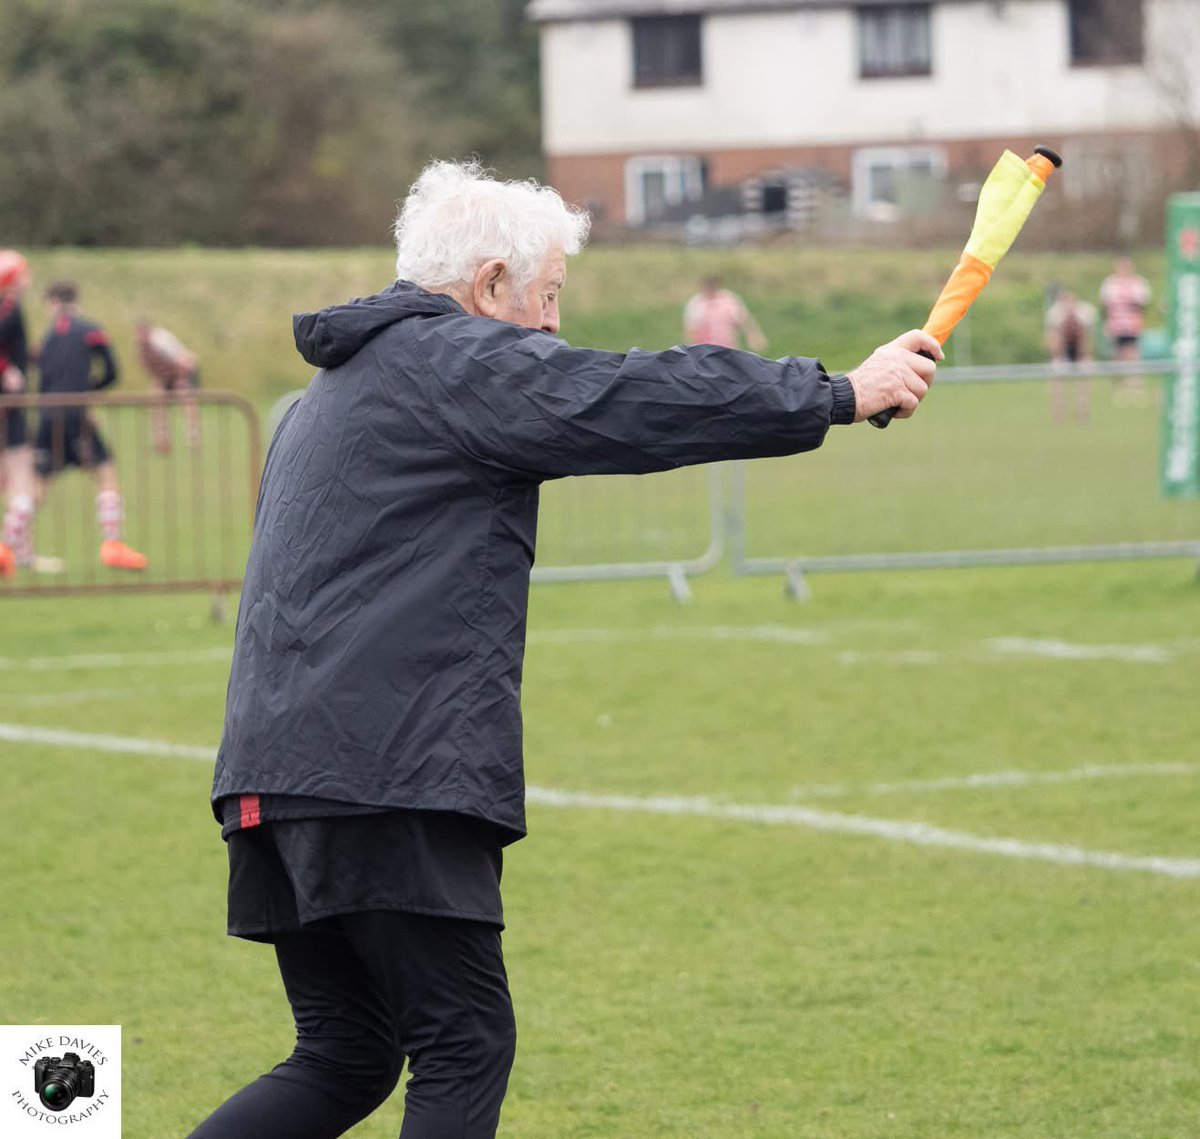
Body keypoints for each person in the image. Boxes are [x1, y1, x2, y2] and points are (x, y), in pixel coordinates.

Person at [188, 158, 938, 1139]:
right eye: (546, 300)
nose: (552, 328)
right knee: (463, 1043)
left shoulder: (335, 390)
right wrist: (838, 392)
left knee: (346, 1050)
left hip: (276, 772)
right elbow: (635, 395)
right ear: (490, 285)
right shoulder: (458, 359)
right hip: (387, 769)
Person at [33, 281, 147, 571]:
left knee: (39, 485)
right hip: (76, 414)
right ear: (76, 302)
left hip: (47, 415)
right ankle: (112, 545)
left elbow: (43, 380)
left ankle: (10, 547)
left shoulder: (46, 339)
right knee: (106, 474)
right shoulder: (90, 330)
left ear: (51, 303)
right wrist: (90, 392)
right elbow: (112, 371)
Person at [0, 250, 35, 578]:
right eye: (23, 273)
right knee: (21, 481)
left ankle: (22, 550)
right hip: (9, 407)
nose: (29, 278)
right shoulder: (9, 311)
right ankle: (13, 549)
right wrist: (8, 368)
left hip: (10, 406)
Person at [135, 318, 201, 453]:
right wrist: (159, 382)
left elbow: (183, 360)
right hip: (165, 376)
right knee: (156, 401)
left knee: (188, 402)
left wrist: (181, 380)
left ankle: (193, 439)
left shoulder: (161, 341)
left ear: (148, 331)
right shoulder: (141, 348)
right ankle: (162, 441)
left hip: (183, 371)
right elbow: (150, 368)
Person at [1098, 255, 1152, 405]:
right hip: (1115, 325)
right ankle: (1118, 389)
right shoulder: (1110, 284)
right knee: (1117, 356)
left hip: (1132, 325)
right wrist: (1106, 323)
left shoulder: (1138, 283)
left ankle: (1134, 387)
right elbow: (1104, 305)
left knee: (1133, 355)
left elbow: (1142, 306)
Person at [1044, 286, 1096, 424]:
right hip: (1062, 352)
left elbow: (1086, 337)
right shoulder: (1055, 314)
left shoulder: (1085, 313)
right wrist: (1056, 355)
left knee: (1083, 382)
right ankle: (1058, 411)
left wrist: (1085, 355)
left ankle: (1082, 411)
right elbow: (1053, 338)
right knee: (1057, 382)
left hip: (1079, 351)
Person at [682, 274, 767, 352]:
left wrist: (754, 336)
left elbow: (743, 319)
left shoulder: (728, 299)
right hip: (705, 349)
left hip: (728, 347)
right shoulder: (696, 303)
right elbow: (690, 329)